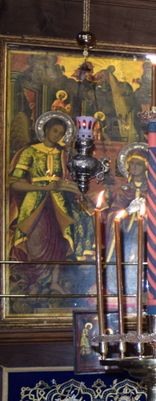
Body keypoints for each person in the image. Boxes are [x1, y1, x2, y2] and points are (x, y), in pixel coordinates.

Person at [7, 116, 93, 299]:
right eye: (55, 131)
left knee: (60, 240)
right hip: (35, 202)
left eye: (61, 133)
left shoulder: (63, 154)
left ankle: (54, 281)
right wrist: (42, 187)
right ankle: (34, 282)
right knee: (35, 240)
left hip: (58, 202)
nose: (57, 136)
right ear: (46, 130)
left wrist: (77, 192)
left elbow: (70, 181)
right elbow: (14, 182)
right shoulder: (30, 152)